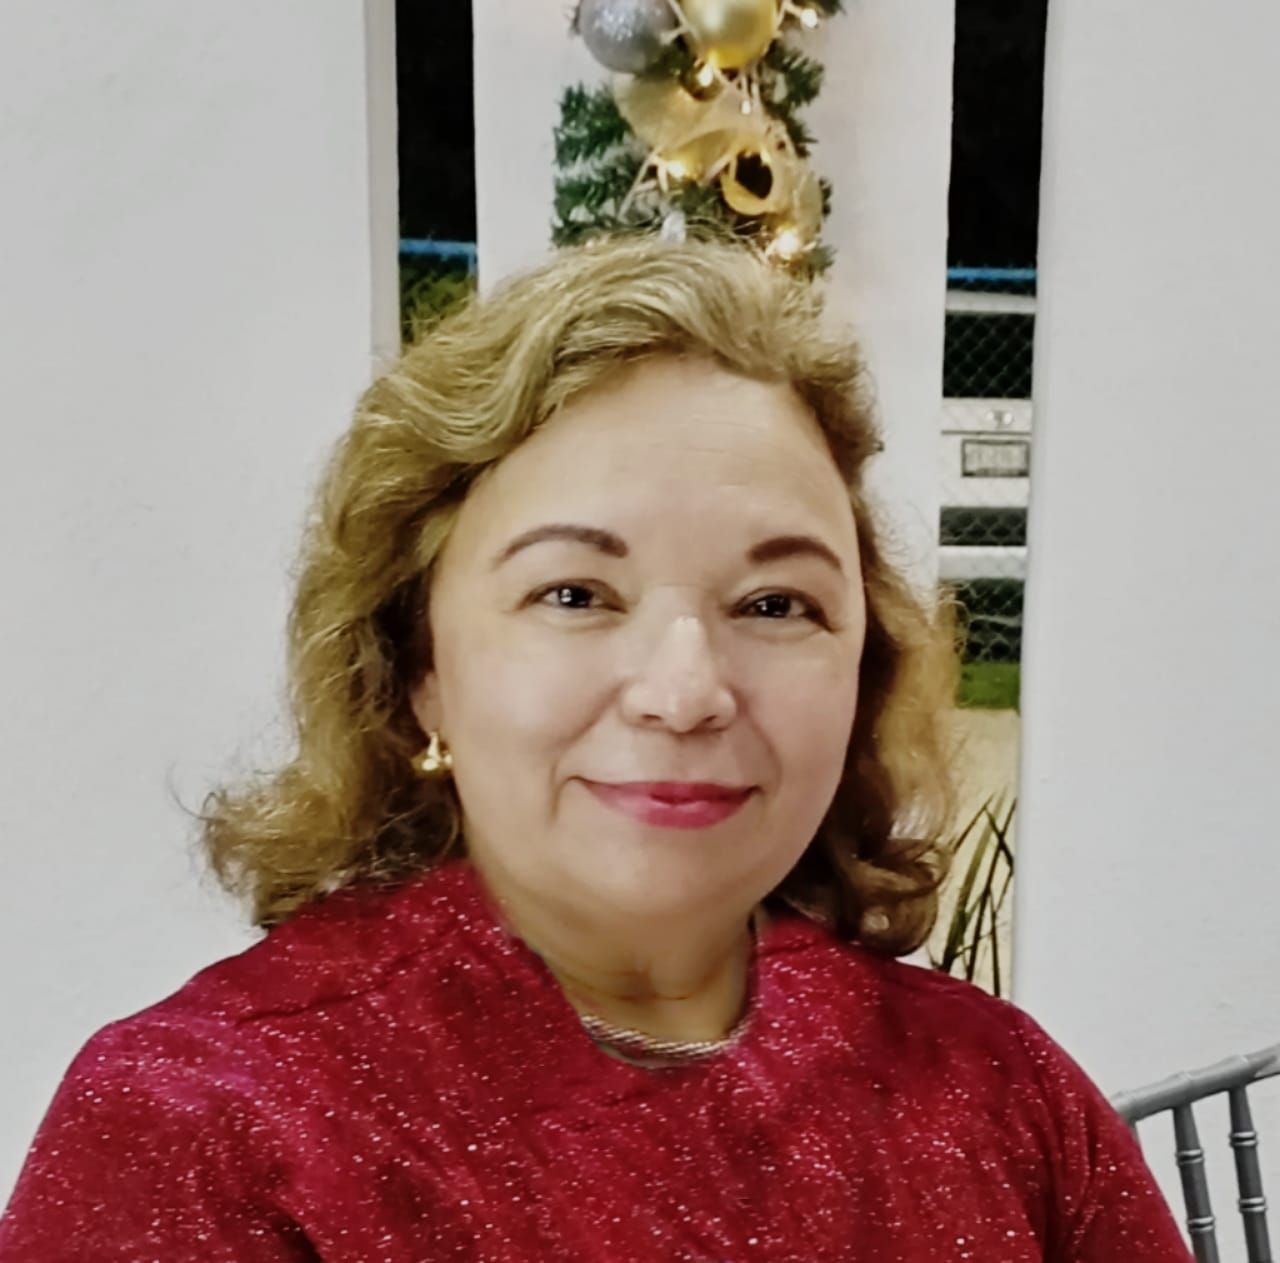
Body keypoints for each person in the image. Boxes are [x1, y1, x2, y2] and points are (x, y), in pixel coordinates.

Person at [0, 234, 1190, 1261]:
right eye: (574, 593)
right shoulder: (203, 1133)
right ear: (418, 668)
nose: (685, 691)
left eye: (776, 605)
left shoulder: (1004, 1097)